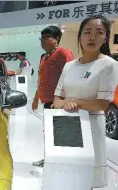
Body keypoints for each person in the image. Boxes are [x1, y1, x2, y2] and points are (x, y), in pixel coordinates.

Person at [53, 15, 118, 190]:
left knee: (85, 180)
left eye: (99, 33)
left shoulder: (109, 65)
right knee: (64, 174)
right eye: (87, 32)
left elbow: (102, 104)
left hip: (90, 127)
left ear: (105, 38)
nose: (92, 37)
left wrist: (74, 103)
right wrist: (67, 104)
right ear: (80, 36)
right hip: (66, 124)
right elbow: (57, 100)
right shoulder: (69, 66)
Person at [31, 25, 74, 167]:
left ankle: (60, 161)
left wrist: (65, 100)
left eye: (46, 38)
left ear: (56, 39)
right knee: (48, 132)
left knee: (59, 133)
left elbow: (70, 78)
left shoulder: (63, 53)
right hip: (47, 102)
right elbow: (40, 78)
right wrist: (36, 98)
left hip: (59, 102)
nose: (42, 41)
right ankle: (50, 159)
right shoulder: (43, 57)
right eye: (41, 38)